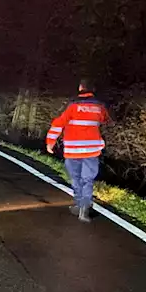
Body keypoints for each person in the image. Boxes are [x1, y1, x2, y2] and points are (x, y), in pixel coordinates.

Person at [45, 81, 110, 223]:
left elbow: (58, 123)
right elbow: (105, 120)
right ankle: (83, 208)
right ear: (93, 90)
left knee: (76, 179)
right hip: (92, 151)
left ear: (80, 88)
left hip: (73, 150)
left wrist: (51, 142)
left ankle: (80, 204)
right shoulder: (100, 107)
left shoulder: (72, 106)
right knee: (88, 180)